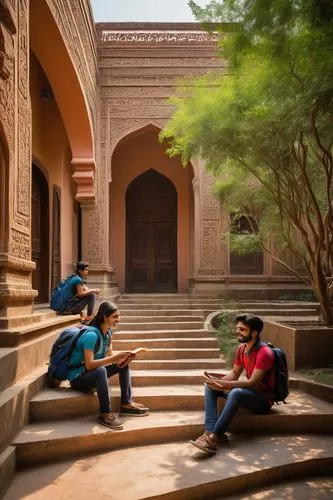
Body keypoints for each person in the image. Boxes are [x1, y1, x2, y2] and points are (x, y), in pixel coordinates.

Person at [191, 314, 274, 454]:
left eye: (242, 329)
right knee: (210, 387)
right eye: (237, 328)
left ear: (254, 332)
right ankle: (210, 431)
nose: (238, 332)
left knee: (236, 392)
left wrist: (223, 383)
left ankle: (214, 437)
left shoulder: (264, 353)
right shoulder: (242, 349)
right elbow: (234, 373)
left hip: (263, 400)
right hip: (248, 394)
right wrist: (215, 382)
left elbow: (253, 383)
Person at [68, 301, 149, 429]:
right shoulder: (92, 335)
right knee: (100, 371)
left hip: (90, 373)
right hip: (78, 378)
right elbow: (89, 365)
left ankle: (126, 404)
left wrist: (124, 360)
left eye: (119, 316)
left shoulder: (108, 333)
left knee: (124, 366)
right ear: (105, 317)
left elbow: (111, 359)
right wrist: (115, 357)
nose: (118, 319)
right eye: (115, 316)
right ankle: (105, 413)